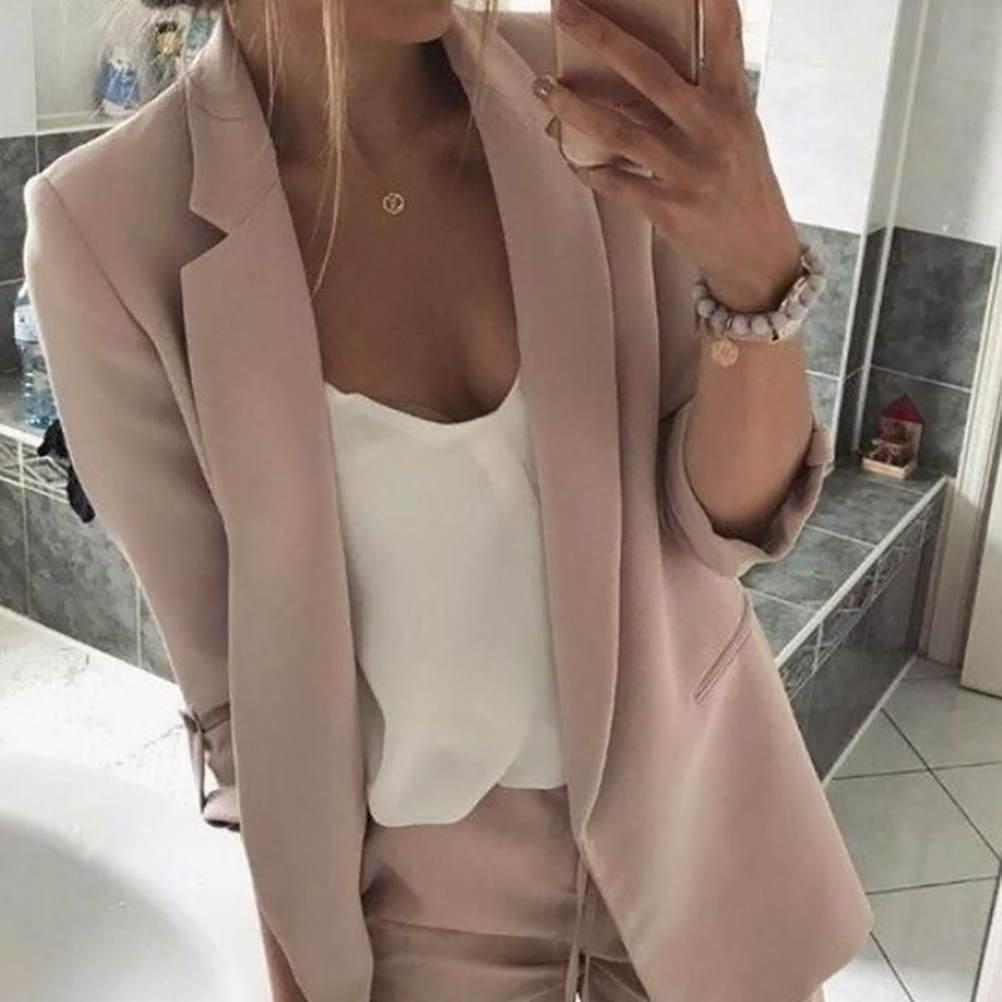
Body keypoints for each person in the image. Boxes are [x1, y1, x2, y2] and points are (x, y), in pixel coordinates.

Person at [22, 0, 873, 999]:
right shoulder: (108, 227)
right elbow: (236, 696)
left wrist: (757, 268)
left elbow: (732, 524)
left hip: (705, 851)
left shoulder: (587, 91)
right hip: (423, 931)